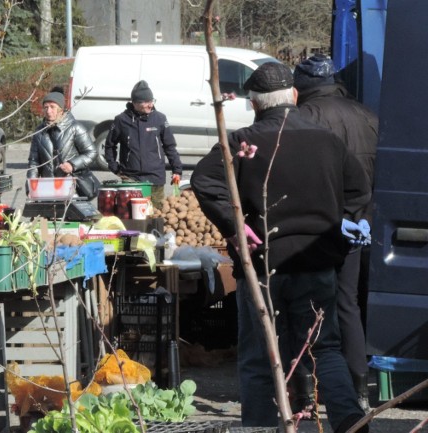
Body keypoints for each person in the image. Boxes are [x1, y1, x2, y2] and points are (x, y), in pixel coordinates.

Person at [190, 62, 371, 433]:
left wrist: (234, 223)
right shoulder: (327, 141)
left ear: (254, 105)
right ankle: (350, 422)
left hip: (262, 267)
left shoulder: (243, 141)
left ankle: (259, 428)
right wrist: (344, 222)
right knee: (325, 351)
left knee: (259, 359)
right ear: (294, 96)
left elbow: (203, 180)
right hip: (316, 263)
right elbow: (359, 189)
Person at [294, 54, 379, 412]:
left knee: (309, 306)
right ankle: (358, 384)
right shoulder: (368, 116)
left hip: (316, 226)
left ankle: (311, 389)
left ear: (302, 87)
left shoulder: (303, 118)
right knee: (348, 302)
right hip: (358, 223)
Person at [104, 80, 182, 208]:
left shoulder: (160, 119)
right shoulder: (121, 120)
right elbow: (109, 145)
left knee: (155, 214)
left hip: (155, 177)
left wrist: (177, 170)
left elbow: (170, 146)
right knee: (132, 214)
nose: (150, 105)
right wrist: (114, 166)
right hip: (131, 178)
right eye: (145, 102)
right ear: (134, 103)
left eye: (151, 101)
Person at [27, 87, 99, 199]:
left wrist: (72, 164)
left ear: (61, 109)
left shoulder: (75, 128)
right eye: (46, 107)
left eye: (52, 107)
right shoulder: (39, 132)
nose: (49, 111)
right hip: (49, 189)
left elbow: (91, 152)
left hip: (73, 188)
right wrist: (31, 187)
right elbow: (34, 162)